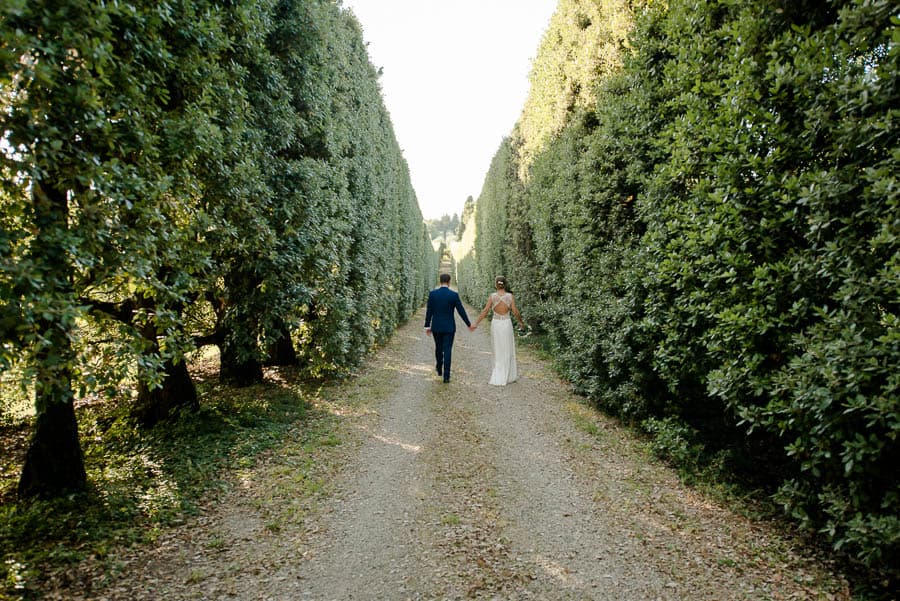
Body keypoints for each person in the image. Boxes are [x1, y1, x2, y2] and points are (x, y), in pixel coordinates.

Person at [471, 276, 525, 386]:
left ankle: (498, 374)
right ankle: (508, 375)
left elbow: (485, 311)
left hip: (496, 324)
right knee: (507, 347)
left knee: (497, 348)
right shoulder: (510, 297)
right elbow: (515, 311)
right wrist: (521, 322)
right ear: (505, 285)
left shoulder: (492, 297)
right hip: (506, 323)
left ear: (496, 284)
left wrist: (476, 323)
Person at [425, 273, 471, 383]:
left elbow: (429, 311)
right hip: (449, 327)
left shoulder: (433, 294)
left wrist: (427, 325)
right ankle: (446, 376)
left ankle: (439, 368)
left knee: (438, 348)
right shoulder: (453, 295)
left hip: (436, 326)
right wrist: (468, 324)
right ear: (449, 282)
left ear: (440, 281)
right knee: (448, 350)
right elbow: (461, 311)